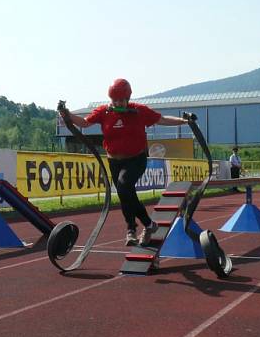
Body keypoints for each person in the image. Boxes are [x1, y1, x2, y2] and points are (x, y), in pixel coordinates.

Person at [61, 78, 189, 247]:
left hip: (136, 159)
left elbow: (162, 119)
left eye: (122, 100)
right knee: (124, 194)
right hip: (114, 161)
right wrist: (67, 114)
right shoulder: (104, 112)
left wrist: (185, 121)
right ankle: (132, 230)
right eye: (115, 100)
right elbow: (84, 123)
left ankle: (147, 224)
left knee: (123, 186)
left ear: (128, 98)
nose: (118, 103)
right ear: (110, 99)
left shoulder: (138, 111)